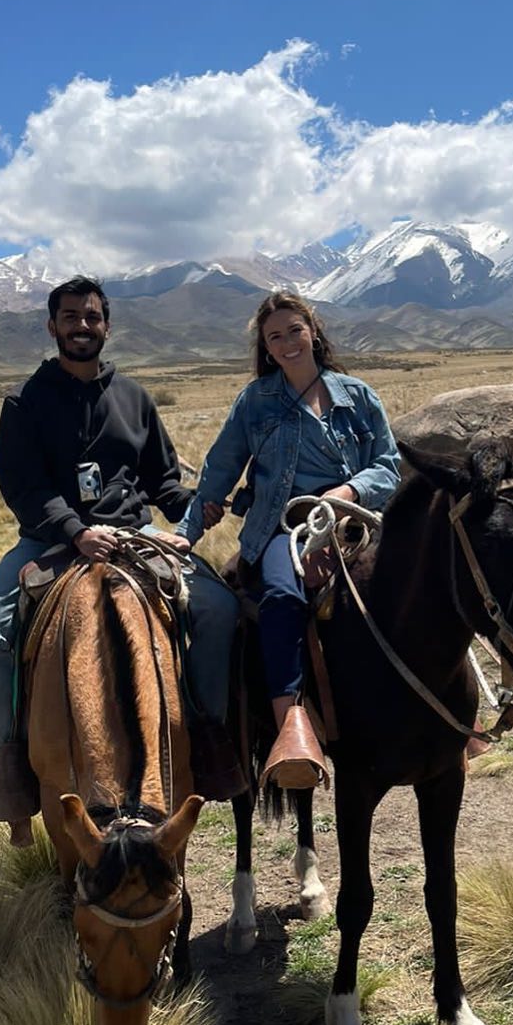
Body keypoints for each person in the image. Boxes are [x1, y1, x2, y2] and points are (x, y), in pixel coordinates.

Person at [0, 276, 246, 845]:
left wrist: (197, 506)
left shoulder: (134, 397)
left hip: (136, 535)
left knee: (218, 608)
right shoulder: (24, 402)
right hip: (51, 541)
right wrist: (75, 530)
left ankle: (207, 737)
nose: (81, 326)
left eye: (91, 317)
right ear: (52, 326)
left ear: (106, 326)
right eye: (70, 317)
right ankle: (12, 766)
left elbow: (162, 480)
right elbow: (21, 484)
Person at [179, 291, 400, 789]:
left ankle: (450, 710)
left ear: (313, 332)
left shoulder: (358, 396)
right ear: (266, 347)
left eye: (294, 330)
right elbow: (218, 473)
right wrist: (184, 537)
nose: (286, 343)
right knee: (281, 597)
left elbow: (389, 465)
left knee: (421, 581)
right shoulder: (256, 402)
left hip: (354, 518)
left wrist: (347, 490)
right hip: (283, 526)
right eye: (274, 337)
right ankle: (291, 729)